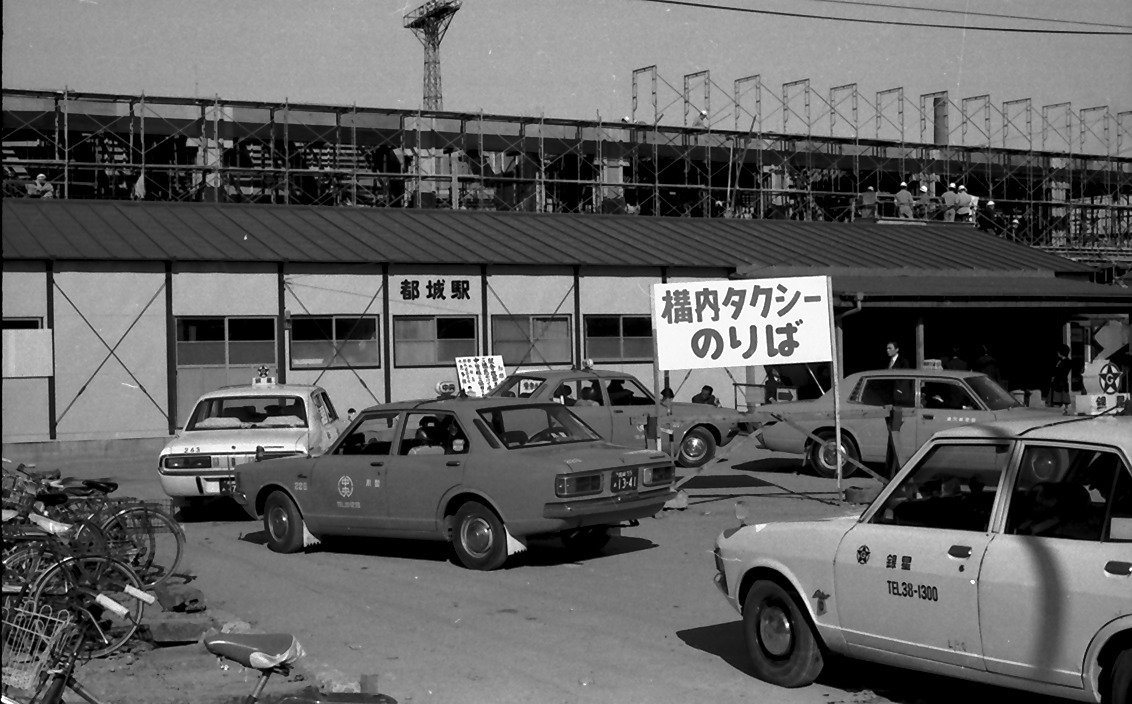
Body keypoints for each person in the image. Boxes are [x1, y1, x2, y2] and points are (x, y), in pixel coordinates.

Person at [1048, 344, 1073, 409]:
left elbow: (1063, 372)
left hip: (1062, 381)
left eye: (1059, 351)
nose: (1057, 353)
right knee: (1056, 397)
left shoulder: (1067, 362)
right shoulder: (1059, 361)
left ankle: (1063, 406)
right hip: (1057, 382)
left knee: (1062, 396)